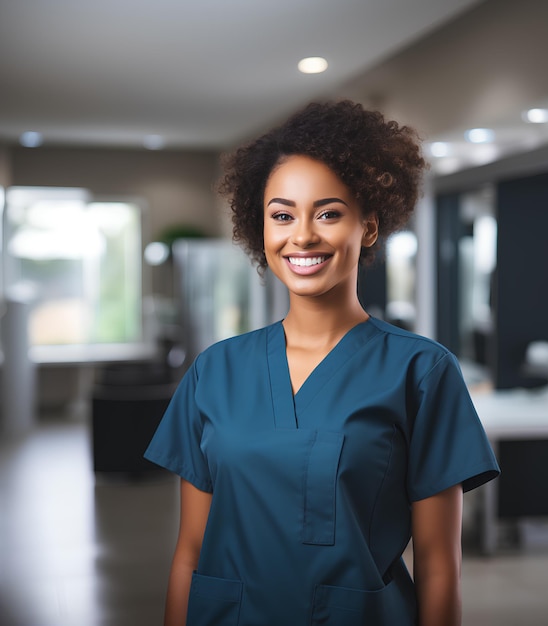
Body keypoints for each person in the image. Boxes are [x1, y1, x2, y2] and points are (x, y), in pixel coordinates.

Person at [145, 100, 500, 626]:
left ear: (370, 226)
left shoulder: (421, 372)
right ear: (259, 228)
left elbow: (439, 567)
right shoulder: (214, 371)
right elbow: (190, 552)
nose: (302, 235)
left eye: (328, 212)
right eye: (282, 215)